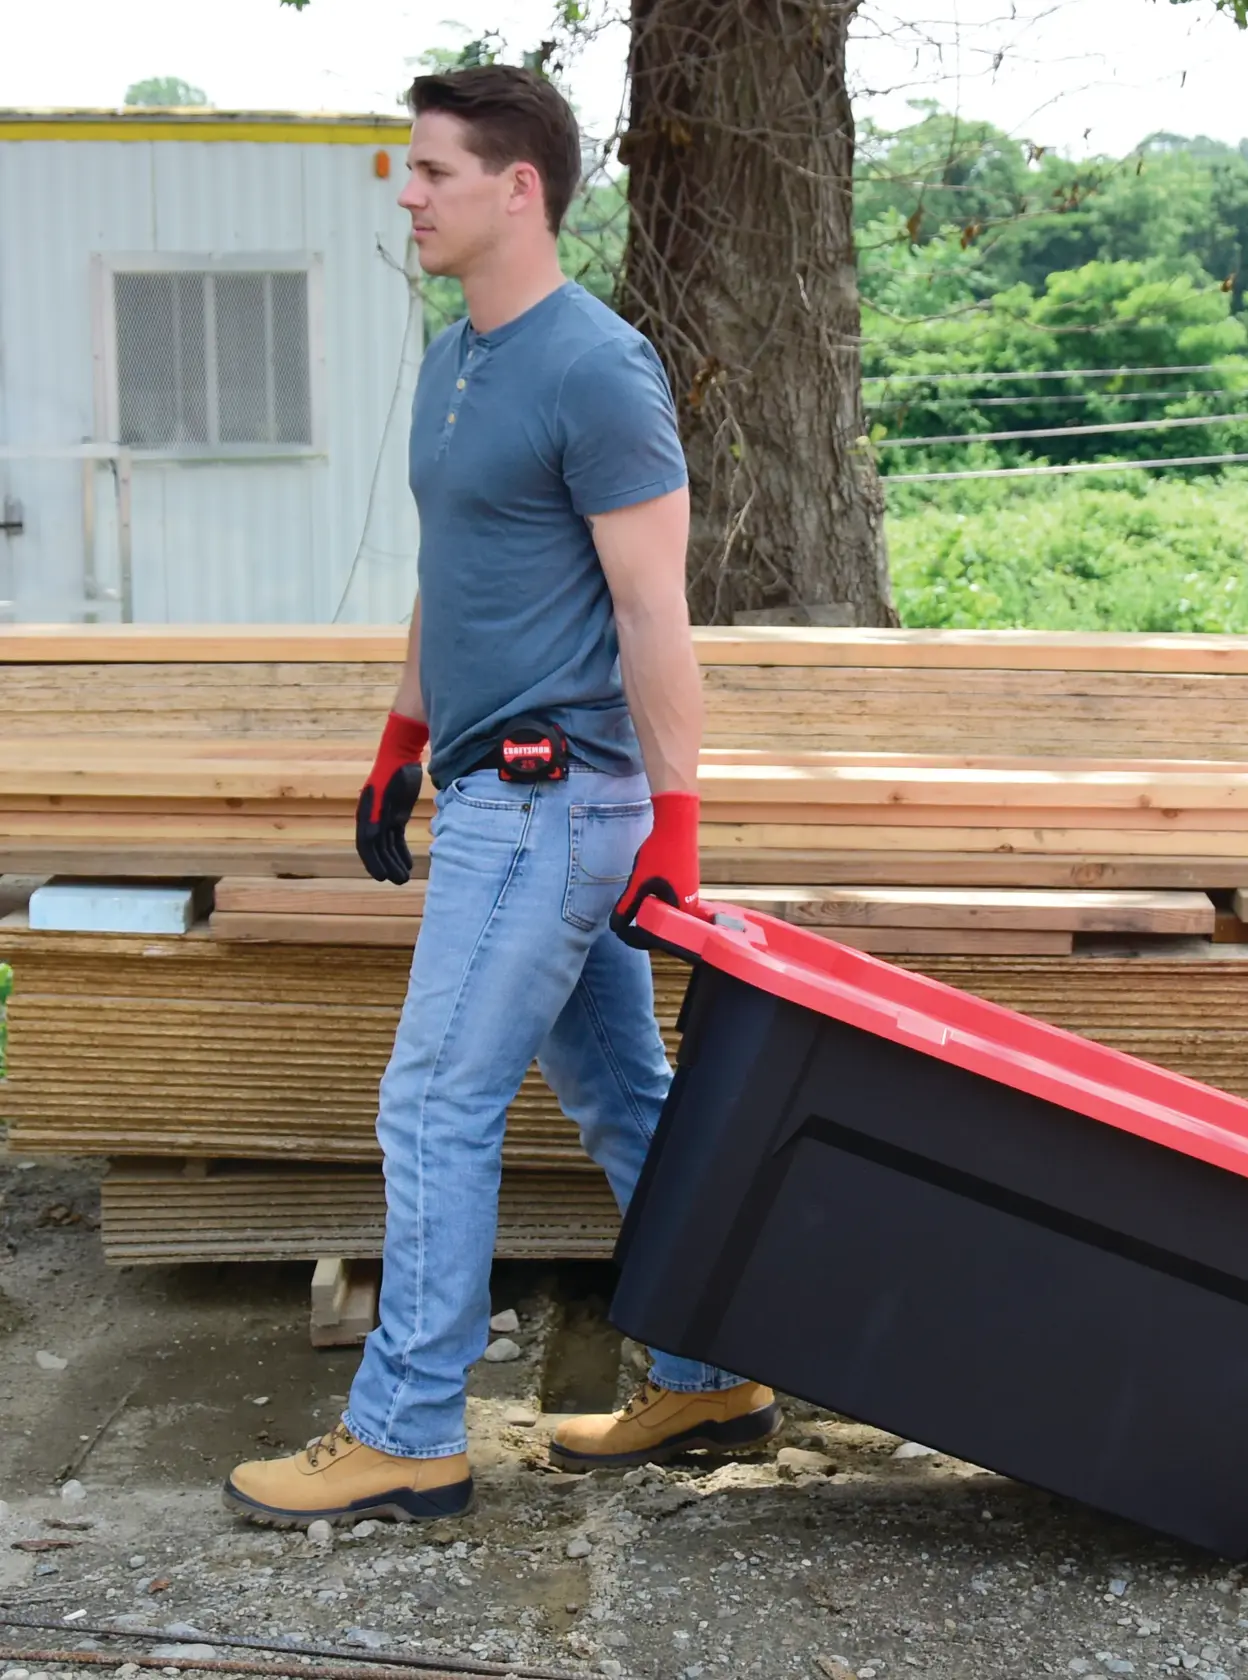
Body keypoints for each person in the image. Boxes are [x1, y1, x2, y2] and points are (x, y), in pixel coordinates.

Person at [223, 64, 779, 1527]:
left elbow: (655, 618)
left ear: (516, 187)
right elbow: (453, 568)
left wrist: (678, 836)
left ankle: (409, 1426)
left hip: (553, 808)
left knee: (432, 1106)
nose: (404, 195)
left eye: (429, 172)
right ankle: (712, 1366)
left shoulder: (597, 368)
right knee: (623, 1103)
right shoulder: (455, 354)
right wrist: (398, 737)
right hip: (493, 785)